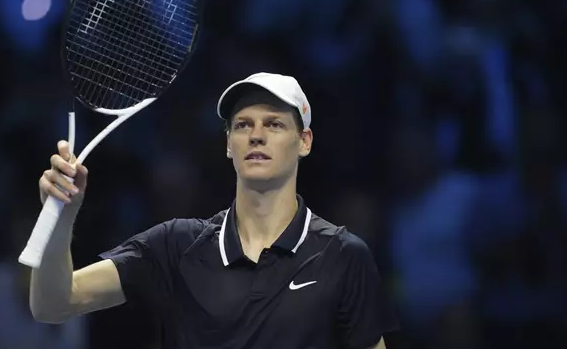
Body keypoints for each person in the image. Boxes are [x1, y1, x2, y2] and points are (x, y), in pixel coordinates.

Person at [29, 72, 399, 348]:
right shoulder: (175, 246)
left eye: (274, 124)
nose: (257, 135)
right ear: (228, 144)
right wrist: (61, 217)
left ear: (304, 141)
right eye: (243, 125)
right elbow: (53, 303)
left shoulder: (343, 256)